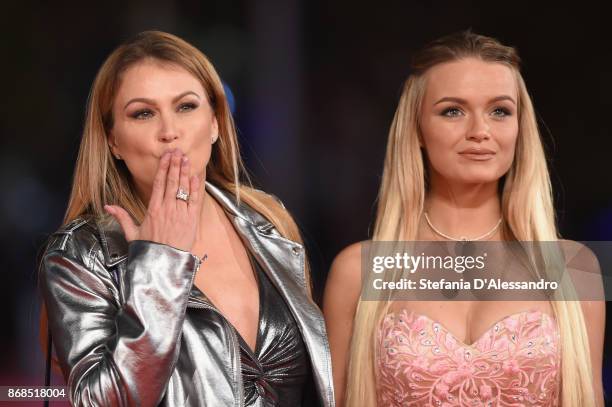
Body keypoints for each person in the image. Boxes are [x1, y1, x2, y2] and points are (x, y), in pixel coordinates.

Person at [38, 30, 334, 407]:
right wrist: (160, 265)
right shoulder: (82, 253)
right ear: (113, 140)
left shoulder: (268, 221)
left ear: (214, 123)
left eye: (186, 106)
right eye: (143, 113)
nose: (169, 132)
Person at [323, 30, 604, 406]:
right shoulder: (358, 271)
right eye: (452, 111)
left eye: (500, 111)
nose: (480, 132)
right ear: (418, 129)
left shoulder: (574, 268)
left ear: (521, 128)